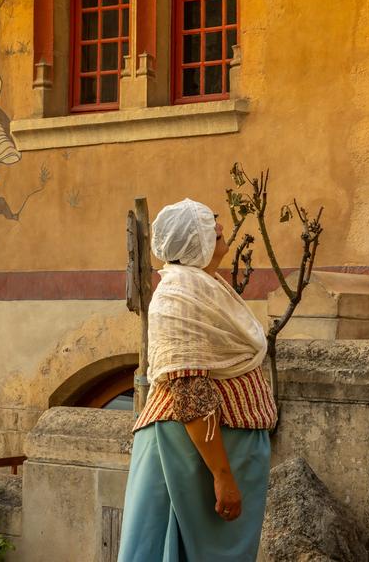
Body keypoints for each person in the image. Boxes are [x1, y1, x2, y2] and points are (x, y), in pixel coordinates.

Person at [118, 198, 277, 562]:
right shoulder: (179, 295)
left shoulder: (205, 286)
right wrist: (222, 476)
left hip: (215, 451)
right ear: (193, 242)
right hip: (190, 456)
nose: (220, 228)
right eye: (209, 224)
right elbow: (190, 391)